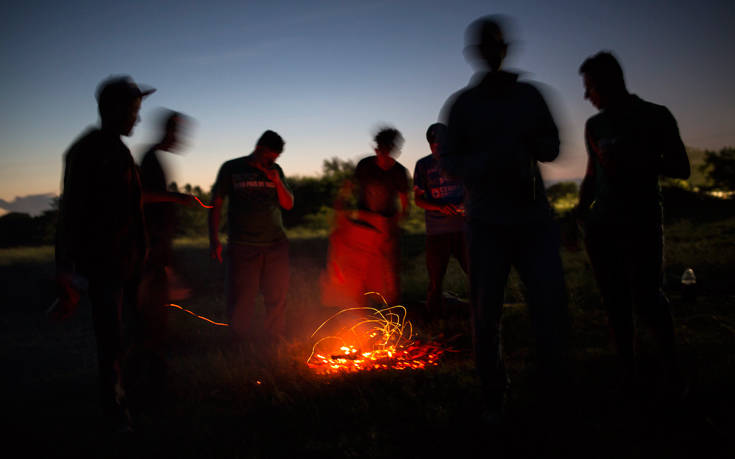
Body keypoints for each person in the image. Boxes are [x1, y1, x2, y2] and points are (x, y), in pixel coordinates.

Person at [439, 17, 569, 422]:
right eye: (486, 45)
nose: (493, 51)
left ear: (505, 49)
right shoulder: (463, 105)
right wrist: (483, 163)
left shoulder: (529, 96)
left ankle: (553, 392)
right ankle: (494, 396)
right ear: (476, 53)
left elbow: (551, 147)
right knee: (486, 311)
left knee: (549, 307)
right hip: (486, 223)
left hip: (532, 219)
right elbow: (450, 162)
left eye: (498, 44)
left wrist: (528, 142)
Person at [575, 51, 690, 394]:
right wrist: (579, 214)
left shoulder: (654, 116)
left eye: (590, 86)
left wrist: (638, 158)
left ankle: (672, 374)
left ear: (609, 82)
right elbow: (592, 176)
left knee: (648, 297)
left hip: (640, 220)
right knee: (615, 302)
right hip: (602, 227)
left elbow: (681, 167)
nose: (586, 95)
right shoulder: (594, 126)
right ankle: (630, 374)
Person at [55, 75, 155, 432]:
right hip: (106, 264)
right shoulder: (88, 151)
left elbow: (130, 202)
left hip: (128, 263)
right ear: (112, 109)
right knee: (111, 338)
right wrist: (64, 271)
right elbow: (71, 211)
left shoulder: (119, 150)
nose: (137, 118)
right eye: (133, 110)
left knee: (131, 333)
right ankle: (115, 413)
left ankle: (132, 396)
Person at [209, 130, 294, 343]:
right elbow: (216, 204)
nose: (271, 162)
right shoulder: (231, 168)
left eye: (275, 158)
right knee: (241, 297)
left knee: (277, 295)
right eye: (268, 157)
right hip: (242, 244)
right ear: (259, 149)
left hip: (275, 243)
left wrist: (276, 180)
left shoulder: (275, 171)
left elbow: (288, 204)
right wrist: (214, 239)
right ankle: (239, 341)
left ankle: (275, 337)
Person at [134, 110, 195, 402]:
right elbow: (139, 196)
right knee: (149, 320)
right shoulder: (149, 159)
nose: (183, 140)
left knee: (156, 319)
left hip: (158, 251)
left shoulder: (154, 159)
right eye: (179, 133)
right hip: (148, 251)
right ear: (169, 132)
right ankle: (147, 389)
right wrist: (179, 198)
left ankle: (152, 382)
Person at [413, 123, 468, 320]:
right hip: (436, 232)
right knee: (435, 279)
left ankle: (482, 314)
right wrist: (439, 207)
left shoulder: (461, 163)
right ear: (430, 145)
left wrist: (463, 204)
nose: (438, 148)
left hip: (463, 229)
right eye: (434, 145)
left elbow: (473, 190)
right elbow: (418, 199)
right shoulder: (423, 165)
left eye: (442, 144)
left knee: (476, 272)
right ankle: (434, 319)